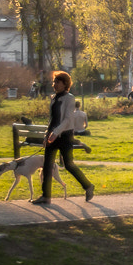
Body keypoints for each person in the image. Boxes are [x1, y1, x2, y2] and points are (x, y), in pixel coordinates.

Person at [33, 71, 95, 205]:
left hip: (65, 136)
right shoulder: (54, 98)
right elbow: (52, 119)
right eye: (54, 81)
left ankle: (88, 186)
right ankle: (46, 196)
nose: (54, 84)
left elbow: (67, 119)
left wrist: (56, 132)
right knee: (47, 165)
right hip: (52, 135)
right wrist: (47, 135)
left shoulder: (69, 98)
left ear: (65, 84)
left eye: (57, 82)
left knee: (68, 165)